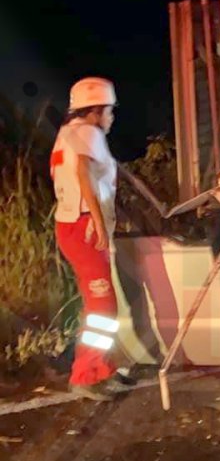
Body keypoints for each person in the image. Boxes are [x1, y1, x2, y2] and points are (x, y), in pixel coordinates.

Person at [51, 77, 126, 400]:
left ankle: (101, 370)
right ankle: (85, 375)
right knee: (102, 307)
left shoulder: (68, 133)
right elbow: (82, 172)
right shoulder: (88, 132)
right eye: (109, 110)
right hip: (83, 227)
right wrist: (97, 220)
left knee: (99, 305)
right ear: (96, 110)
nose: (110, 117)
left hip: (73, 225)